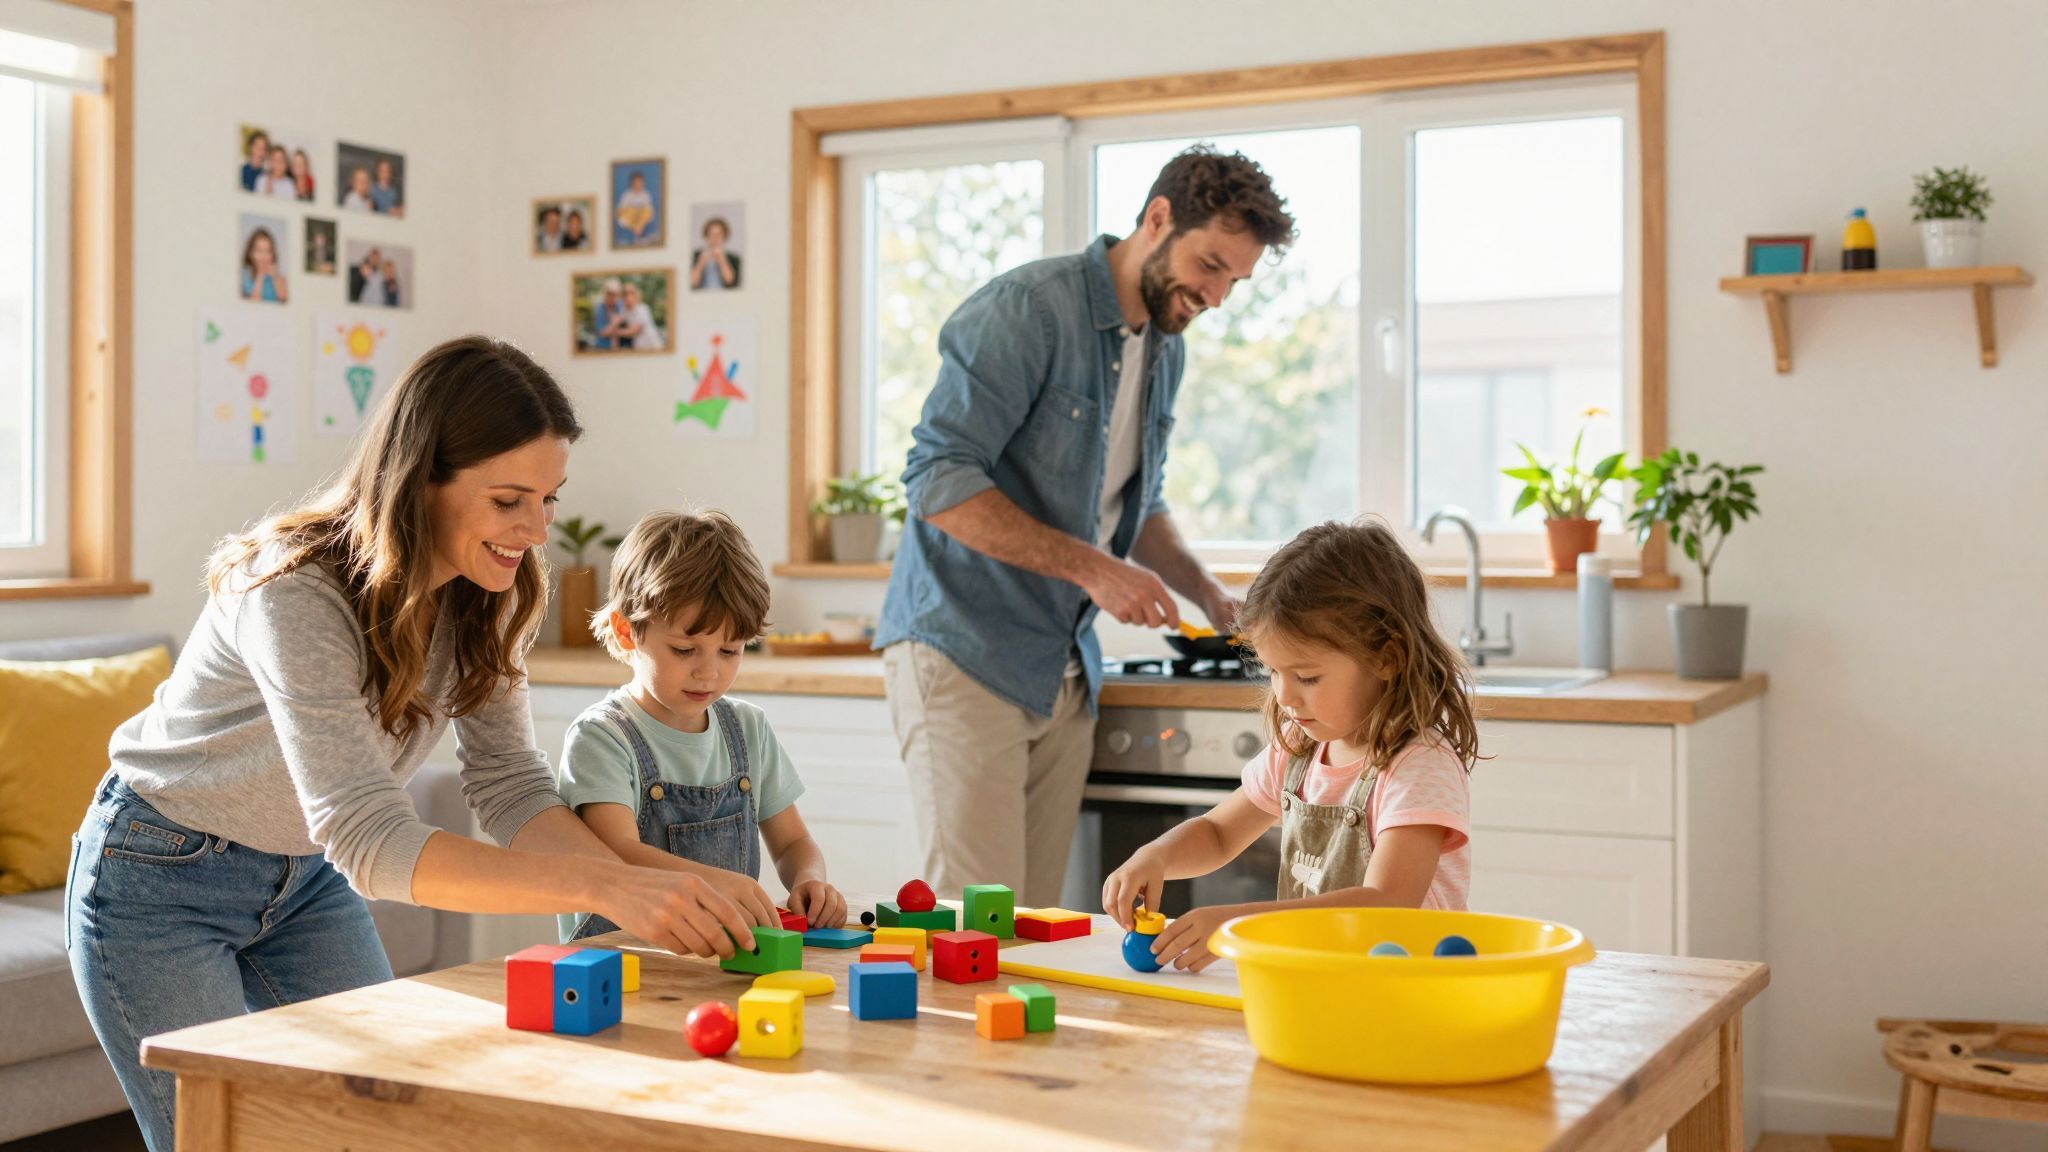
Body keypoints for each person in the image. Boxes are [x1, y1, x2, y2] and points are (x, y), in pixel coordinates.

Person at [66, 337, 755, 1152]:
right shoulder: (292, 590)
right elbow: (369, 838)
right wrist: (612, 889)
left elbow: (509, 785)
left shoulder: (492, 596)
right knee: (225, 1137)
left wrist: (661, 880)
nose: (536, 531)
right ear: (420, 482)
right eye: (509, 502)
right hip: (159, 875)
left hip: (301, 882)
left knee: (386, 1126)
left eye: (549, 499)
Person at [875, 146, 1296, 907]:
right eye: (1210, 266)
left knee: (1034, 928)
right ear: (1157, 219)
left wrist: (1206, 591)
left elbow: (1134, 505)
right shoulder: (1027, 310)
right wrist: (1096, 571)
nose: (1218, 295)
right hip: (964, 650)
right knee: (974, 928)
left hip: (1061, 664)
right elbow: (938, 479)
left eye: (1234, 279)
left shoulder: (1163, 350)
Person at [1101, 519, 1478, 972]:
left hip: (1402, 991)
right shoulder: (1299, 750)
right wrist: (1155, 856)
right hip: (1313, 983)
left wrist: (1241, 925)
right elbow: (1219, 834)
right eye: (1273, 672)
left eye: (1307, 677)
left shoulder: (1418, 765)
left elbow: (1387, 904)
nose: (1284, 695)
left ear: (1386, 658)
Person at [557, 509, 845, 943]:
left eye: (729, 652)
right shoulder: (602, 738)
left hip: (719, 958)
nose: (708, 673)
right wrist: (715, 884)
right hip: (621, 960)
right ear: (626, 632)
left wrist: (810, 878)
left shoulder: (748, 729)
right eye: (685, 649)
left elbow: (792, 844)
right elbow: (619, 855)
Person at [239, 227, 287, 303]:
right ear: (251, 253)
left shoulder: (280, 278)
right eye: (259, 251)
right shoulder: (243, 276)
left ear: (273, 254)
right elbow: (252, 304)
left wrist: (276, 277)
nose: (263, 256)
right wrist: (260, 276)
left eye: (268, 251)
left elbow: (283, 299)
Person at [690, 216, 740, 291]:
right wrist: (701, 261)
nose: (715, 238)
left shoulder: (734, 258)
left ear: (725, 236)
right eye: (711, 234)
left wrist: (721, 259)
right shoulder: (695, 255)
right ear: (706, 236)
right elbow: (693, 282)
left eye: (719, 234)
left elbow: (730, 281)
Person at [615, 281, 663, 351]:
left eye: (631, 295)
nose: (628, 298)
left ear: (636, 296)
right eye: (625, 296)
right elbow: (615, 323)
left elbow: (634, 331)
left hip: (652, 345)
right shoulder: (624, 312)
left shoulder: (643, 309)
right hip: (639, 347)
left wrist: (617, 332)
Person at [615, 171, 654, 246]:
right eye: (636, 183)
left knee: (647, 212)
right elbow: (621, 208)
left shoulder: (645, 194)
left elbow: (648, 208)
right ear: (631, 183)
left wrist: (640, 211)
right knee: (624, 216)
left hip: (640, 217)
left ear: (643, 183)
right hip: (631, 218)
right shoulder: (627, 194)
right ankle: (636, 229)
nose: (638, 185)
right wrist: (631, 210)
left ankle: (638, 228)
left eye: (640, 183)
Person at [588, 278, 623, 350]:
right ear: (605, 293)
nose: (613, 297)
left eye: (615, 294)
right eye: (610, 294)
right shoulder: (599, 309)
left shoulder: (620, 305)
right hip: (603, 347)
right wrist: (614, 324)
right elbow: (602, 333)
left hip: (620, 347)